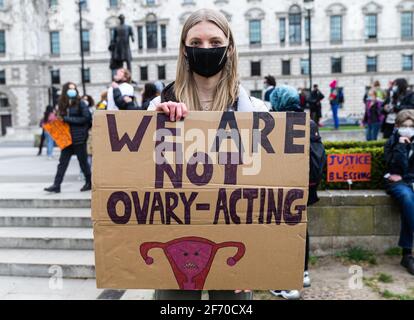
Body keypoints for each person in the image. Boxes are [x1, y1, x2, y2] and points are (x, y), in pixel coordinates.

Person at [148, 8, 268, 300]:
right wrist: (154, 124)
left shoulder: (258, 113)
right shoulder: (156, 108)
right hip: (174, 241)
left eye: (215, 43)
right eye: (197, 42)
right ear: (184, 50)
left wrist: (257, 258)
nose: (205, 49)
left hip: (234, 244)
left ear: (229, 48)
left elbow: (268, 192)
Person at [269, 85, 326, 299]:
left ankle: (284, 283)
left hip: (283, 186)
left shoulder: (276, 122)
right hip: (306, 187)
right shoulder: (308, 121)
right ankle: (302, 273)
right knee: (301, 227)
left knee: (280, 231)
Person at [44, 82, 92, 194]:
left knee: (83, 162)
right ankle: (56, 185)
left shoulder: (81, 103)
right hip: (66, 138)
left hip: (79, 137)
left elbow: (86, 118)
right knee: (62, 162)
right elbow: (60, 119)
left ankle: (89, 182)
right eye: (70, 89)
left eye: (74, 88)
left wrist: (67, 119)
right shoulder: (62, 104)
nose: (72, 90)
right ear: (65, 90)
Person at [384, 109, 414, 276]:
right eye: (404, 126)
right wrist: (402, 146)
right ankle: (407, 254)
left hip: (409, 180)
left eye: (411, 126)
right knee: (407, 197)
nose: (408, 129)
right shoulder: (392, 143)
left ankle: (407, 254)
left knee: (408, 203)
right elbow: (396, 167)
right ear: (397, 126)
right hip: (396, 183)